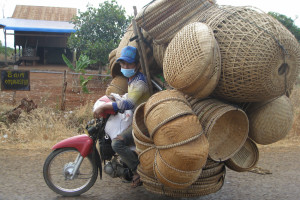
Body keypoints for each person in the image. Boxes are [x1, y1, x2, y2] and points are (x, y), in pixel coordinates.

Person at [93, 46, 150, 188]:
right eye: (123, 64)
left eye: (129, 64)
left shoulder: (139, 82)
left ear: (136, 65)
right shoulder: (132, 79)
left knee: (117, 143)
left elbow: (129, 103)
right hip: (137, 118)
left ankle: (138, 171)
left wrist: (105, 106)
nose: (125, 66)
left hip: (143, 123)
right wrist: (114, 97)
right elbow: (130, 97)